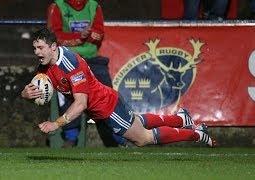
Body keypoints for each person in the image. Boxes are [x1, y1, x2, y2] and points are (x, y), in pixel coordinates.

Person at [21, 28, 216, 148]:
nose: (37, 53)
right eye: (34, 48)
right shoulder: (46, 64)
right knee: (138, 122)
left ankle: (197, 134)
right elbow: (34, 88)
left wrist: (56, 124)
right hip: (103, 105)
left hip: (106, 107)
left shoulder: (71, 64)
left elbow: (81, 104)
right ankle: (181, 119)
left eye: (41, 48)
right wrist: (26, 93)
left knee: (143, 138)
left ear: (53, 46)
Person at [47, 0, 125, 147]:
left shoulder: (93, 6)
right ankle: (70, 138)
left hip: (93, 60)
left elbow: (99, 34)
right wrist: (80, 36)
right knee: (67, 99)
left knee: (106, 99)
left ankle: (115, 139)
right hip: (68, 59)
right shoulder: (57, 6)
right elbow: (54, 37)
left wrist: (83, 35)